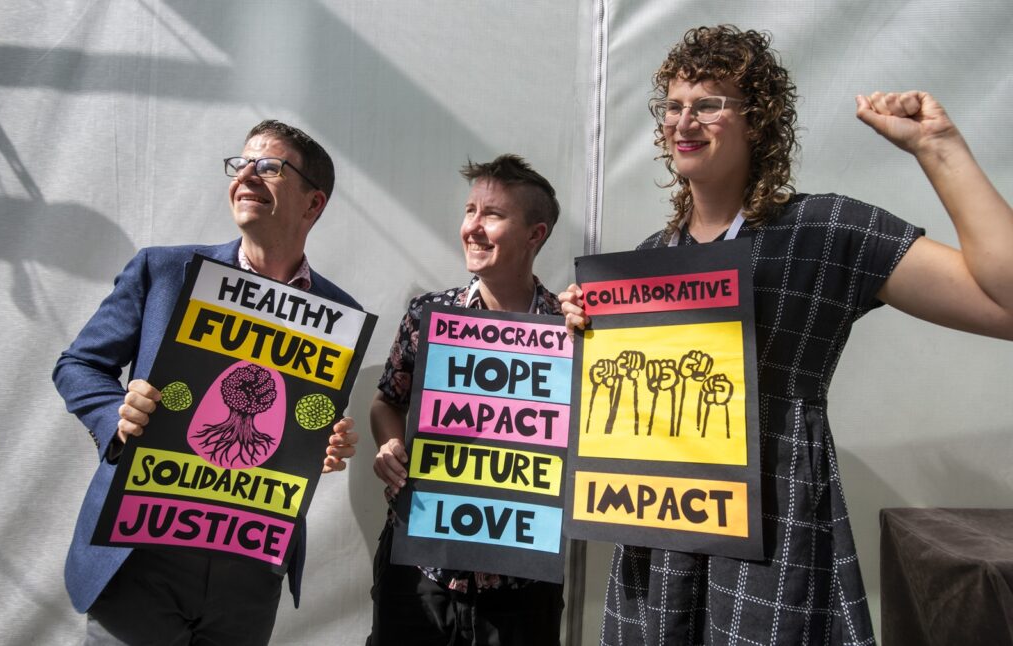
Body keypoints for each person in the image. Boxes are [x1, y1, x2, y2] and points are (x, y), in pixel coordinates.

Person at [558, 25, 1013, 645]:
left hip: (776, 530)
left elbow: (1005, 302)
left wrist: (939, 146)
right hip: (658, 539)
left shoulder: (825, 229)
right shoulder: (645, 262)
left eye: (709, 103)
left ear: (757, 121)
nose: (683, 120)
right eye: (673, 105)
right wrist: (585, 338)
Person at [53, 120, 362, 645]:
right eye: (240, 164)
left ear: (313, 205)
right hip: (140, 556)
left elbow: (298, 421)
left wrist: (328, 444)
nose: (246, 175)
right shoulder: (164, 271)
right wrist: (116, 417)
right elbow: (78, 365)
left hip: (249, 570)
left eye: (270, 167)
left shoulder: (339, 315)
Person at [368, 154, 565, 645]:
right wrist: (391, 449)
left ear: (535, 235)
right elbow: (386, 402)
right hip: (419, 568)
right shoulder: (428, 315)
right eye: (470, 210)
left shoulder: (570, 330)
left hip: (522, 581)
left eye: (492, 214)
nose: (473, 227)